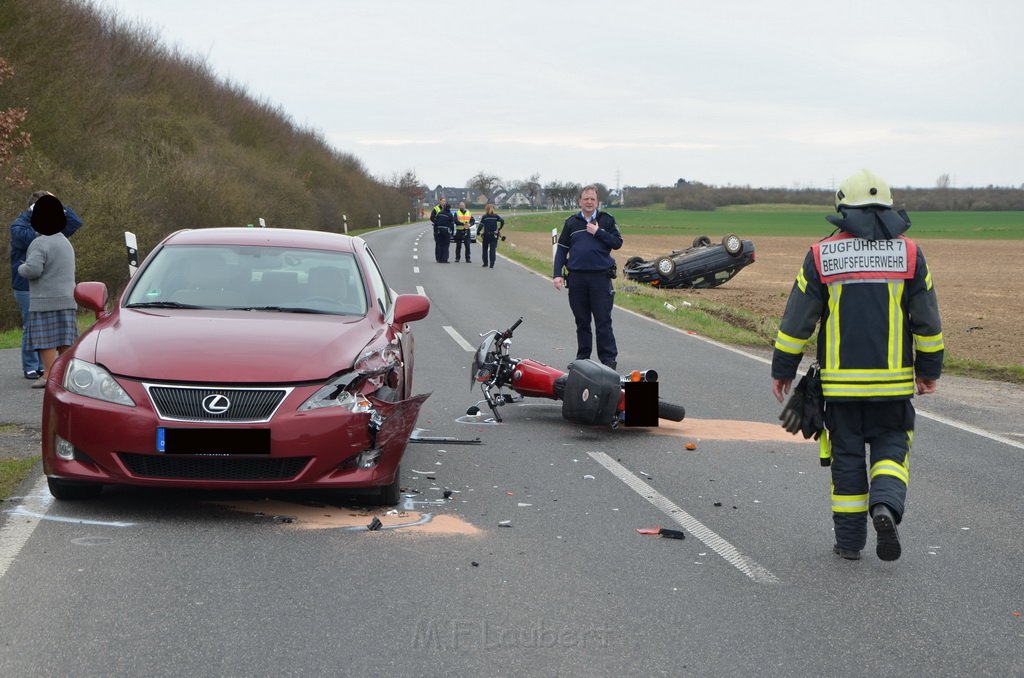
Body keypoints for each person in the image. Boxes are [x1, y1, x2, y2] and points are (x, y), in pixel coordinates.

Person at [771, 169, 944, 562]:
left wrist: (783, 369)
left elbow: (797, 322)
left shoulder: (821, 255)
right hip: (893, 388)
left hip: (841, 390)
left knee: (847, 460)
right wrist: (929, 370)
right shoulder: (911, 254)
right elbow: (928, 322)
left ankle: (849, 543)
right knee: (892, 447)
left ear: (841, 207)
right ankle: (884, 506)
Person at [9, 190, 83, 379]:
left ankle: (50, 368)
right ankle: (32, 366)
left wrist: (59, 203)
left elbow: (75, 222)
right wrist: (31, 213)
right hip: (26, 286)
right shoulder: (21, 226)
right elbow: (23, 238)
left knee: (51, 331)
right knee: (32, 327)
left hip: (50, 287)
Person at [552, 185, 623, 369]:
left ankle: (608, 361)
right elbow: (562, 249)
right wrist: (557, 274)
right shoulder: (571, 223)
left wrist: (598, 232)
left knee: (603, 321)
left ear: (597, 201)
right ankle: (583, 360)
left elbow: (617, 243)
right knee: (582, 321)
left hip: (600, 278)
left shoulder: (606, 220)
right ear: (580, 201)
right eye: (586, 199)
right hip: (577, 279)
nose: (589, 202)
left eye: (592, 199)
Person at [477, 203, 505, 268]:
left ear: (486, 209)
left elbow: (481, 225)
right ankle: (492, 263)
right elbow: (502, 221)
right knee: (492, 250)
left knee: (484, 249)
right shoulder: (496, 216)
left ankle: (485, 263)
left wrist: (478, 232)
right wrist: (499, 228)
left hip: (486, 235)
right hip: (494, 235)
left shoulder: (484, 217)